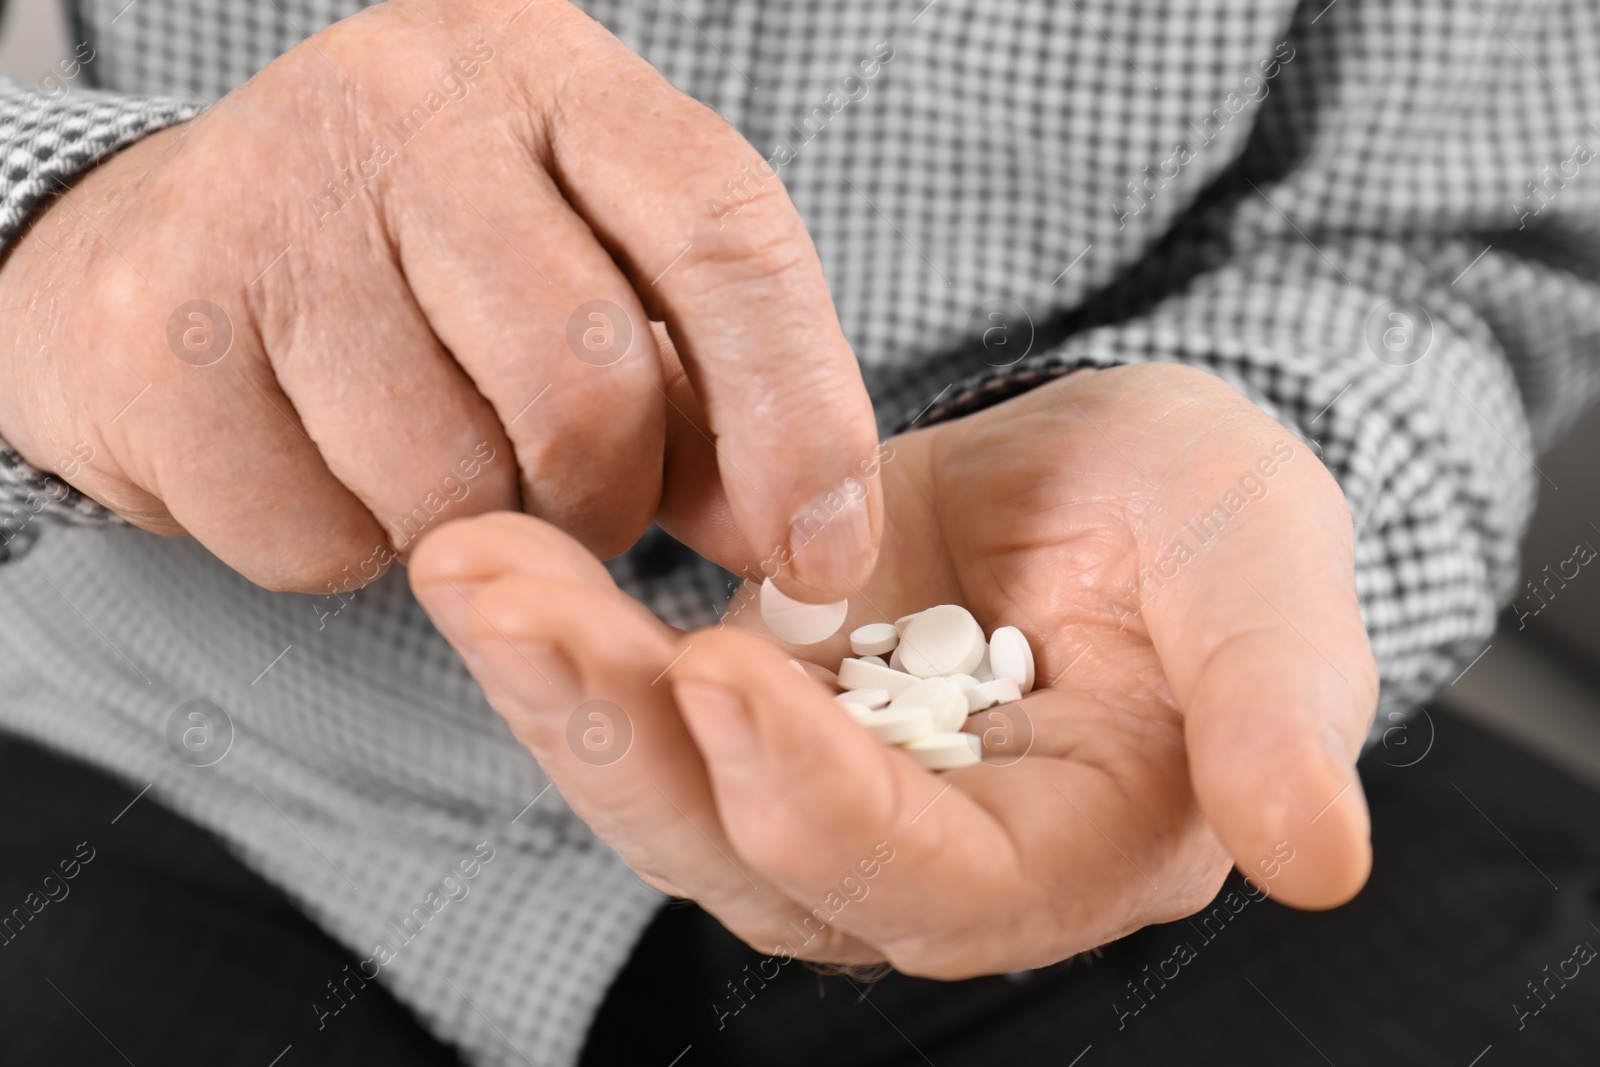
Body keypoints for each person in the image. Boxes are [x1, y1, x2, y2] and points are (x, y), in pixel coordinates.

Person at [0, 1, 1595, 1064]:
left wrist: (1259, 474)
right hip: (160, 737)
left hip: (1093, 724)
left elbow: (1453, 251)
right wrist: (59, 247)